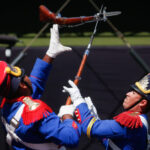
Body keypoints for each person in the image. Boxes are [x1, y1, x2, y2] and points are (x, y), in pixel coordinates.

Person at [0, 24, 81, 150]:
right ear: (22, 84)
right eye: (25, 75)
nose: (29, 77)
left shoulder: (7, 105)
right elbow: (70, 138)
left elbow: (34, 84)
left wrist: (50, 53)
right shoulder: (37, 113)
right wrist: (68, 118)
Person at [62, 74, 150, 150]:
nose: (128, 93)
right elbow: (112, 143)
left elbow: (91, 128)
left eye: (134, 93)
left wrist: (78, 100)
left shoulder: (131, 122)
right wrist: (96, 118)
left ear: (143, 102)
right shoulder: (141, 120)